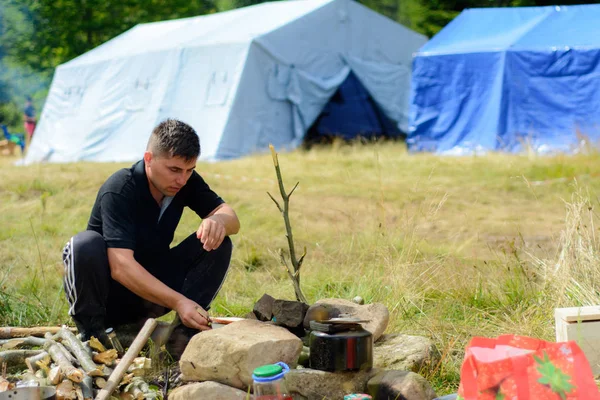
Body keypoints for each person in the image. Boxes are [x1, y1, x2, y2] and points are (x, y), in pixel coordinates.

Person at [62, 119, 240, 350]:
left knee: (219, 241)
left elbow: (232, 218)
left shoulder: (185, 182)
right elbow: (120, 266)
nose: (182, 179)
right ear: (149, 159)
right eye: (174, 170)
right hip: (109, 296)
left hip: (151, 295)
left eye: (189, 170)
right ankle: (94, 333)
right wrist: (178, 301)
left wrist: (217, 220)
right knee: (84, 244)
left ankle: (183, 335)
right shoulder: (120, 188)